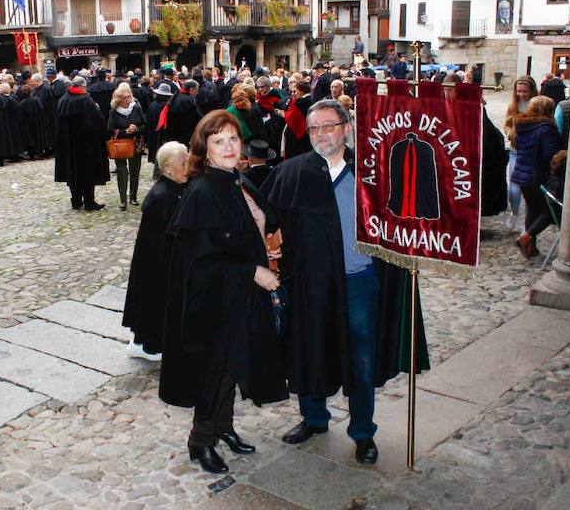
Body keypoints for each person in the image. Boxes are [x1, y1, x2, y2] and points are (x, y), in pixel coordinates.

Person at [263, 99, 429, 466]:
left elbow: (404, 219)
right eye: (316, 128)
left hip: (360, 284)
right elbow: (265, 223)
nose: (322, 134)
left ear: (346, 128)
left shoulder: (374, 172)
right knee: (310, 349)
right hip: (310, 287)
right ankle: (314, 418)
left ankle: (363, 432)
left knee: (362, 360)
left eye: (330, 126)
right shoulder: (290, 173)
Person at [160, 110, 287, 475]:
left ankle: (224, 427)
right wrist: (252, 270)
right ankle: (201, 442)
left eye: (233, 139)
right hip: (217, 300)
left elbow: (255, 224)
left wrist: (271, 249)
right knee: (216, 370)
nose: (229, 147)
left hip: (240, 294)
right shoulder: (202, 191)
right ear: (205, 148)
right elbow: (200, 261)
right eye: (219, 142)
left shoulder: (236, 179)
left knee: (233, 366)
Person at [123, 141, 189, 360]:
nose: (188, 164)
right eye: (183, 161)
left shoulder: (174, 187)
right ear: (168, 168)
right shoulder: (161, 196)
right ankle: (149, 346)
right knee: (153, 304)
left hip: (163, 260)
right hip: (157, 263)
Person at [512, 96, 563, 259]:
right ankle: (526, 237)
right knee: (549, 212)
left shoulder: (522, 125)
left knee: (532, 209)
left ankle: (530, 248)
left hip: (522, 173)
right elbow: (550, 154)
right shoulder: (546, 128)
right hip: (538, 175)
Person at [55, 76, 110, 211]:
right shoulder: (86, 101)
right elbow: (97, 121)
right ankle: (89, 201)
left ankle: (76, 200)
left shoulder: (63, 100)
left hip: (68, 145)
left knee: (72, 173)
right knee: (87, 173)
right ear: (82, 87)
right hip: (86, 145)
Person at [503, 76, 539, 231]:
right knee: (514, 188)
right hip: (515, 151)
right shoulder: (513, 105)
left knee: (530, 190)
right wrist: (511, 133)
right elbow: (506, 124)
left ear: (531, 90)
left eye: (525, 91)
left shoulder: (538, 105)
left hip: (532, 153)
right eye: (519, 91)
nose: (522, 94)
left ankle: (528, 225)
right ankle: (515, 212)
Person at [107, 83, 147, 210]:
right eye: (124, 97)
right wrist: (125, 132)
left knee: (135, 171)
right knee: (122, 171)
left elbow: (145, 125)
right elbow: (109, 129)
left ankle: (133, 196)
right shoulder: (114, 111)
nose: (127, 100)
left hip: (135, 144)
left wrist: (136, 128)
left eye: (129, 97)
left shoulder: (136, 108)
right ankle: (123, 199)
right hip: (120, 145)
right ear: (118, 99)